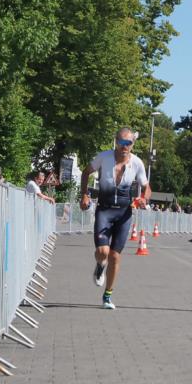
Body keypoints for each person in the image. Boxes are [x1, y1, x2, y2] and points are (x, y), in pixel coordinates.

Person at [79, 127, 151, 310]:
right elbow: (86, 173)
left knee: (115, 256)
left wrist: (144, 198)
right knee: (103, 252)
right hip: (104, 211)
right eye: (121, 142)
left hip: (124, 214)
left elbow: (146, 186)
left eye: (128, 143)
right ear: (116, 142)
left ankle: (107, 295)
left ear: (132, 144)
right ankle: (99, 265)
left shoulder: (137, 163)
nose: (124, 146)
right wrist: (85, 195)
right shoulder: (104, 157)